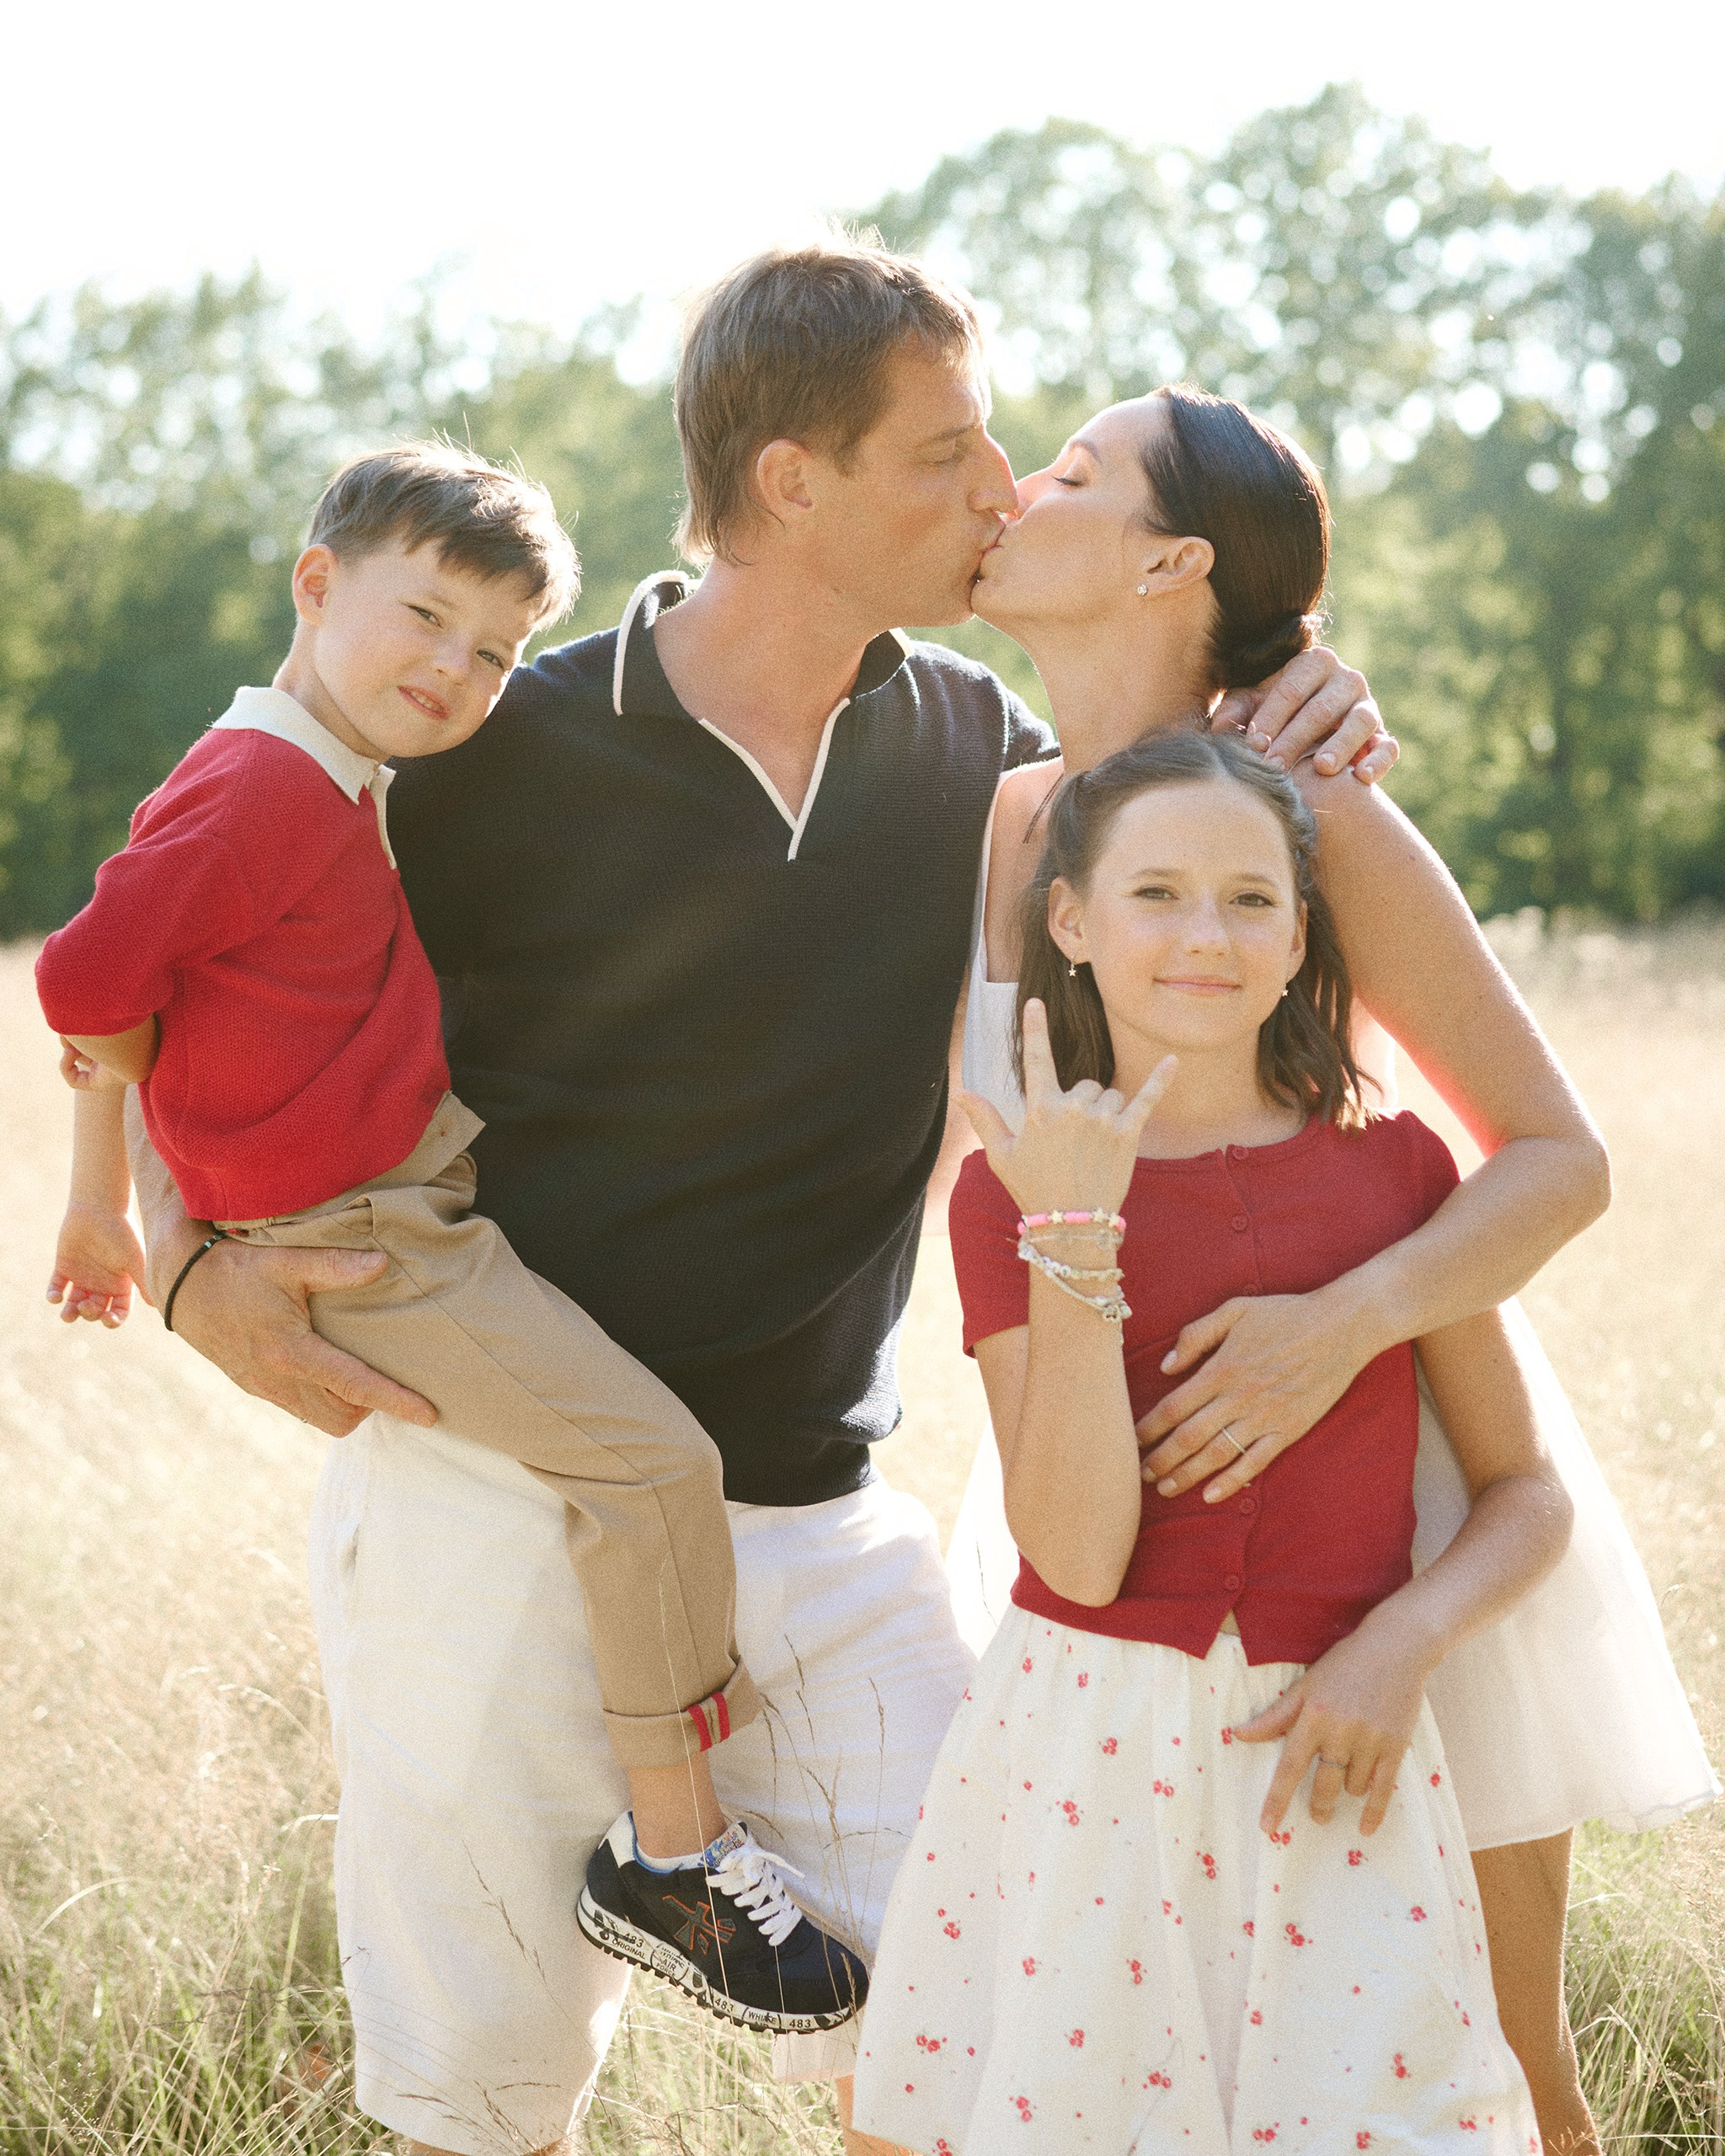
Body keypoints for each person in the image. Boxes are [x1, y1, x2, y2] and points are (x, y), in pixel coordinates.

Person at [112, 239, 1394, 2156]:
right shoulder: (491, 746)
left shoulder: (981, 761)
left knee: (993, 2057)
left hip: (823, 1518)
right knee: (488, 2105)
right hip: (493, 1513)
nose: (997, 492)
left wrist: (1292, 673)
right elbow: (178, 946)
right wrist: (177, 1250)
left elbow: (1177, 820)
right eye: (947, 454)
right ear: (792, 483)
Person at [938, 384, 1718, 2155]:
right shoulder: (1005, 821)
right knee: (1166, 2054)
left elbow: (1556, 1155)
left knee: (1497, 2079)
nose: (1011, 483)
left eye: (1066, 470)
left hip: (1397, 1463)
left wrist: (1336, 1327)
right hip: (1099, 1466)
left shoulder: (1310, 808)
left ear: (1169, 560)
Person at [34, 440, 869, 2043]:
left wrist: (105, 1205)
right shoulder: (267, 787)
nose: (457, 670)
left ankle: (673, 1808)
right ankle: (677, 1853)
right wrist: (181, 1220)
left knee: (630, 1463)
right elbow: (83, 989)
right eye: (425, 617)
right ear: (316, 581)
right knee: (652, 1468)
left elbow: (123, 1007)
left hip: (392, 1207)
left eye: (493, 649)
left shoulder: (283, 766)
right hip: (372, 1244)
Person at [856, 728, 1573, 2153]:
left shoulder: (1397, 1171)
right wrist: (1075, 1238)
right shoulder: (1011, 1197)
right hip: (1091, 1762)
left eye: (1252, 899)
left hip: (1338, 1757)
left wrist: (1401, 1642)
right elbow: (1076, 1551)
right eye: (1157, 893)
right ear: (1072, 918)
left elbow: (1526, 1496)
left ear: (1302, 931)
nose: (1207, 935)